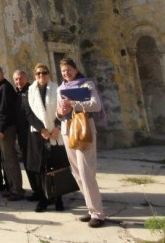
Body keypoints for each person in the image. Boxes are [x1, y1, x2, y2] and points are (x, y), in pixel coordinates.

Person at [57, 58, 106, 228]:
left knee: (86, 172)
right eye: (63, 71)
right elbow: (60, 112)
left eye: (69, 70)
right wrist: (60, 111)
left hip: (84, 129)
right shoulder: (61, 88)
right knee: (77, 172)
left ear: (76, 70)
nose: (66, 73)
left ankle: (98, 213)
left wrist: (73, 104)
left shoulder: (87, 85)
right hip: (67, 130)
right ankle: (90, 207)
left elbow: (96, 105)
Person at [24, 63, 65, 212]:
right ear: (34, 75)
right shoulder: (30, 90)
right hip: (38, 133)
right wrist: (41, 129)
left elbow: (63, 109)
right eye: (38, 73)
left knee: (57, 167)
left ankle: (58, 198)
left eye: (44, 73)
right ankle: (43, 199)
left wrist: (57, 127)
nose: (41, 76)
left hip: (55, 133)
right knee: (40, 169)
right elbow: (29, 113)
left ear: (49, 74)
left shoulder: (57, 89)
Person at [0, 65, 25, 200]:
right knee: (5, 159)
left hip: (6, 129)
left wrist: (1, 129)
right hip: (0, 128)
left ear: (2, 74)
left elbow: (5, 110)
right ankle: (11, 187)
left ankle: (17, 190)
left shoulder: (5, 88)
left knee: (10, 159)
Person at [13, 69, 36, 198]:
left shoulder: (32, 91)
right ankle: (35, 189)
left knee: (36, 162)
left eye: (20, 78)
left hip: (34, 133)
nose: (18, 81)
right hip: (22, 134)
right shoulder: (16, 93)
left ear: (26, 78)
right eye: (16, 79)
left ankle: (41, 191)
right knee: (27, 163)